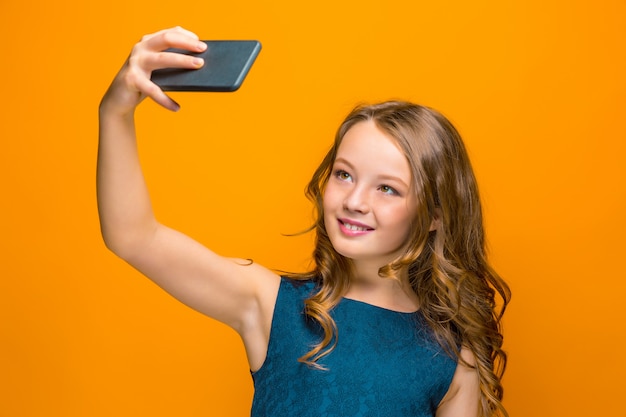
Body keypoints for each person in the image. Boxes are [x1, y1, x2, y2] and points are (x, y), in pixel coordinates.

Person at [98, 26, 511, 417]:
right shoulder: (268, 303)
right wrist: (115, 110)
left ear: (436, 213)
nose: (354, 201)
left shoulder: (454, 356)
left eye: (387, 188)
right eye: (344, 174)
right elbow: (134, 236)